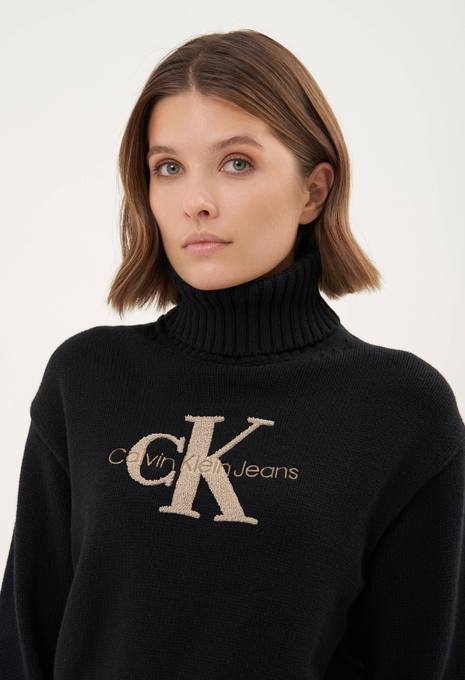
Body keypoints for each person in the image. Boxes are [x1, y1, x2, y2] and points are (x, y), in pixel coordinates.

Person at [0, 28, 464, 680]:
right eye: (168, 167)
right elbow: (24, 643)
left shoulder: (401, 408)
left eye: (236, 162)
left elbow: (423, 658)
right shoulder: (86, 379)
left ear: (313, 191)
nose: (196, 202)